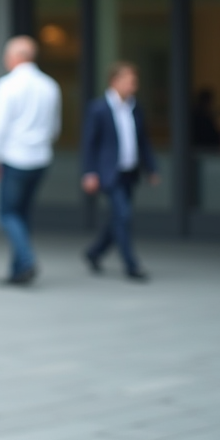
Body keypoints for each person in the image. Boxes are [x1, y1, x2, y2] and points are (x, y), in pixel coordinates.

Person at [0, 35, 61, 285]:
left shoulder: (6, 85)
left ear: (15, 57)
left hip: (14, 158)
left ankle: (25, 261)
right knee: (22, 215)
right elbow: (55, 126)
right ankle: (18, 272)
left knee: (7, 214)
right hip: (40, 158)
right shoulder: (50, 85)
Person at [82, 62, 159, 281]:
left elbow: (143, 141)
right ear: (114, 81)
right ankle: (131, 264)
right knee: (123, 216)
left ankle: (94, 252)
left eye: (135, 81)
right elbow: (90, 143)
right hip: (109, 172)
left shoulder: (136, 107)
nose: (133, 85)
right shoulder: (99, 108)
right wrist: (89, 172)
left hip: (129, 171)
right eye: (129, 80)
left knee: (117, 218)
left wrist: (151, 167)